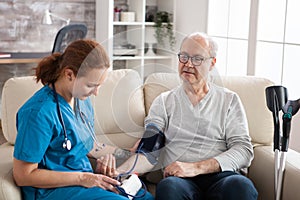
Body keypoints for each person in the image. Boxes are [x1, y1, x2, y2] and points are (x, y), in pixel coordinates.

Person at [117, 32, 258, 200]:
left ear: (212, 63)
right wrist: (118, 173)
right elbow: (150, 145)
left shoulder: (229, 100)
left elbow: (244, 150)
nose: (188, 64)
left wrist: (196, 167)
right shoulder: (164, 101)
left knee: (241, 187)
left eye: (197, 58)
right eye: (183, 57)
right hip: (180, 181)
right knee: (168, 188)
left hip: (222, 177)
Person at [13, 39, 154, 200]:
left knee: (145, 198)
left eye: (99, 85)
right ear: (69, 74)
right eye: (91, 85)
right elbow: (23, 175)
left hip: (85, 183)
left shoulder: (80, 100)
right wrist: (84, 178)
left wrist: (125, 154)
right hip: (52, 191)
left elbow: (85, 142)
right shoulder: (38, 113)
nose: (96, 93)